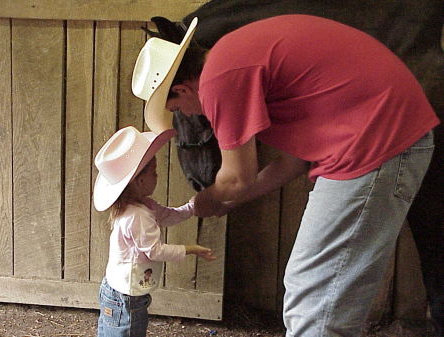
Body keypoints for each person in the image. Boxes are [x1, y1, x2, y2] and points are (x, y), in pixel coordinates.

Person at [131, 15, 440, 337]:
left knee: (316, 298)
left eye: (179, 109)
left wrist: (205, 200)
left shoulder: (220, 79)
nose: (189, 115)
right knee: (309, 284)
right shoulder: (234, 58)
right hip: (375, 136)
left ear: (182, 88)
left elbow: (236, 179)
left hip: (377, 142)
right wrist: (227, 202)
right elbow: (293, 163)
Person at [93, 126, 216, 337]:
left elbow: (167, 215)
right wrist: (190, 249)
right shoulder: (137, 216)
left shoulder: (141, 206)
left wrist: (192, 207)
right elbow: (154, 251)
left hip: (118, 291)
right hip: (126, 298)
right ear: (140, 181)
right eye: (154, 172)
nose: (157, 176)